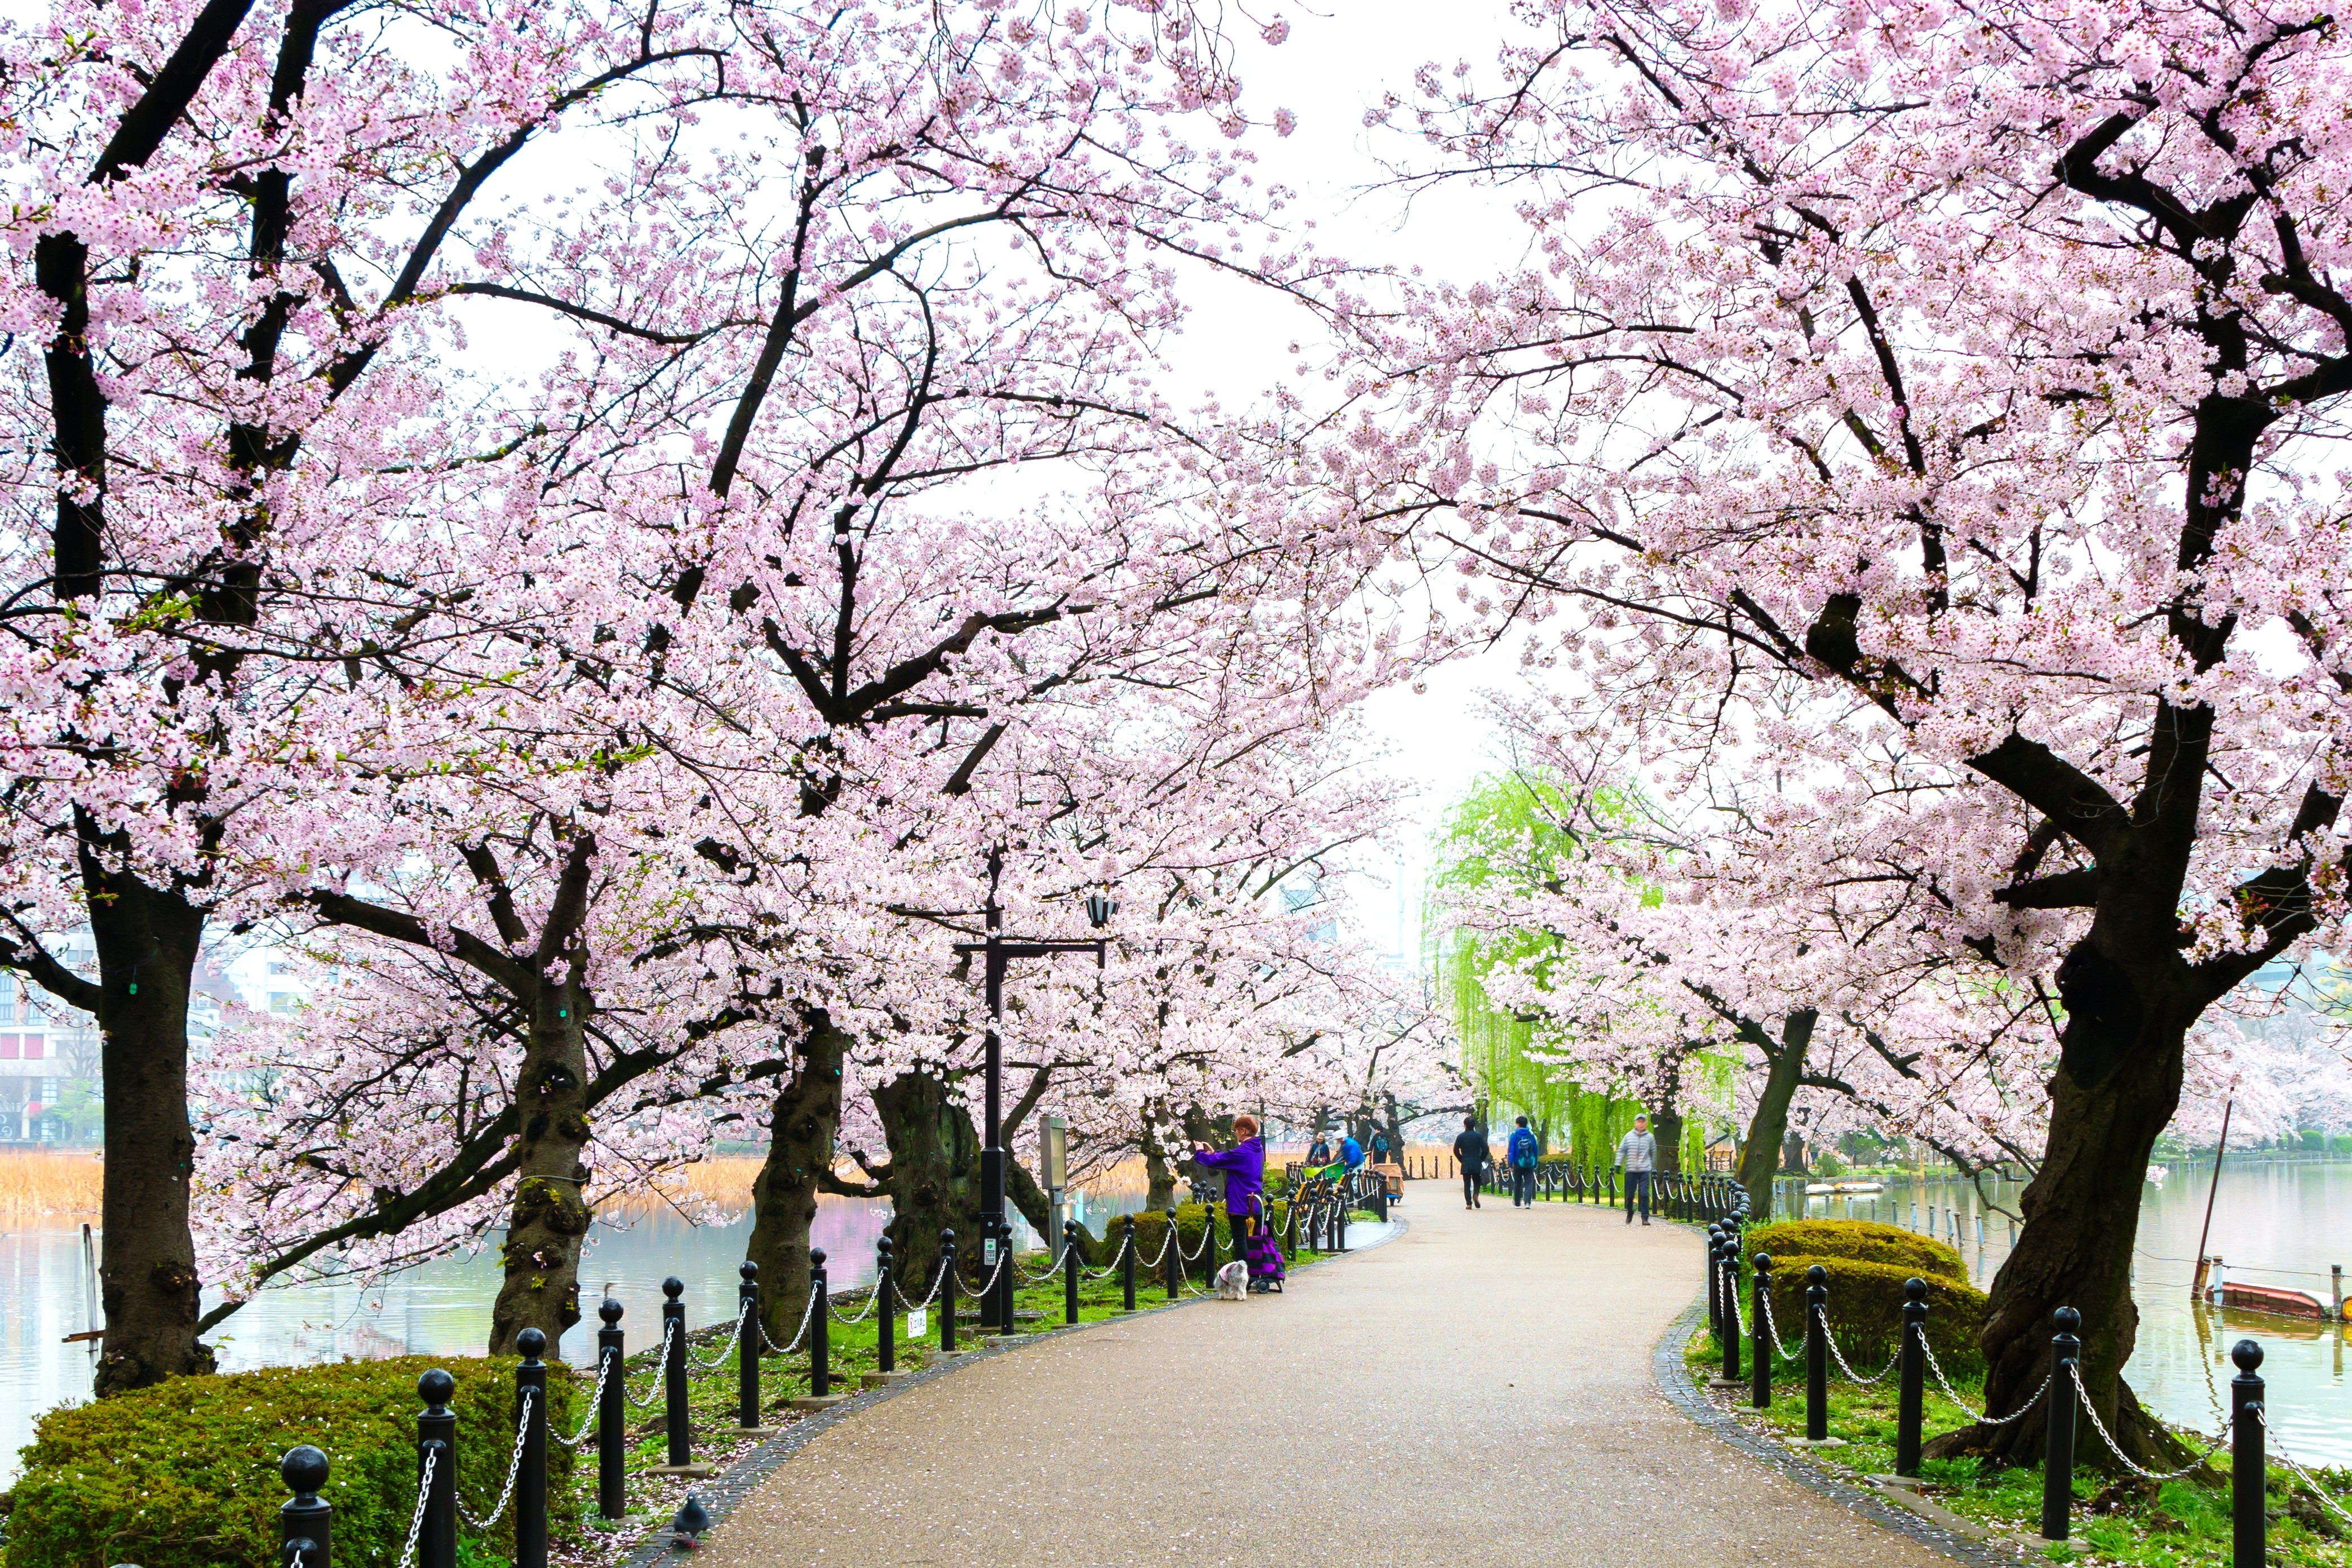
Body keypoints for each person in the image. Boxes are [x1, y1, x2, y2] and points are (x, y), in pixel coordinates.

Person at [1192, 1114, 1286, 1292]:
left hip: (1241, 1204)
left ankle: (1242, 1281)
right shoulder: (1257, 1150)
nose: (1236, 1135)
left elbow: (1220, 1161)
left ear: (1243, 1130)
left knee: (1241, 1243)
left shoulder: (1242, 1152)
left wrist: (1200, 1153)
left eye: (1236, 1131)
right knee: (1252, 1243)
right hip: (1255, 1203)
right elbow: (1227, 1159)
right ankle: (1253, 1276)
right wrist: (1213, 1153)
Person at [1617, 1113, 1658, 1225]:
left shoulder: (1650, 1137)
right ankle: (1630, 1211)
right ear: (1635, 1123)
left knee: (1644, 1194)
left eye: (1643, 1122)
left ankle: (1645, 1217)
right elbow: (1622, 1150)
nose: (1641, 1124)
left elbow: (1653, 1153)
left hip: (1644, 1169)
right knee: (1630, 1195)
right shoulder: (1628, 1136)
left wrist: (1653, 1167)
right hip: (1631, 1170)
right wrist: (1618, 1164)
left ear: (1646, 1123)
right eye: (1639, 1122)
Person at [1451, 1115, 1487, 1210]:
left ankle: (1469, 1204)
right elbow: (1485, 1148)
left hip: (1466, 1162)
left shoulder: (1461, 1137)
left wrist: (1461, 1159)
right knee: (1477, 1181)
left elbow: (1455, 1150)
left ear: (1465, 1125)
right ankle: (1476, 1194)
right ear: (1474, 1126)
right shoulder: (1478, 1136)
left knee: (1467, 1183)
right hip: (1476, 1161)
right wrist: (1481, 1158)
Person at [1507, 1114, 1540, 1208]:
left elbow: (1511, 1150)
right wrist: (1536, 1162)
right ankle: (1527, 1203)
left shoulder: (1514, 1135)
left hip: (1518, 1162)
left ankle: (1517, 1202)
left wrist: (1510, 1163)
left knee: (1518, 1182)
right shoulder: (1531, 1135)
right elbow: (1535, 1150)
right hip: (1529, 1162)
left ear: (1518, 1124)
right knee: (1529, 1182)